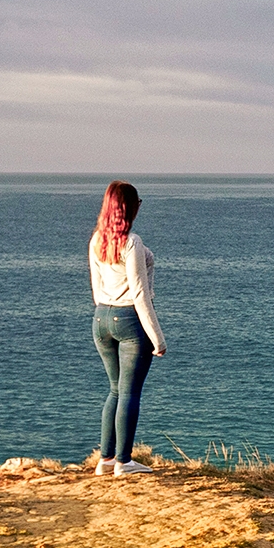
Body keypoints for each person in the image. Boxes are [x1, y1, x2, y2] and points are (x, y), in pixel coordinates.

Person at [89, 180, 168, 474]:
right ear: (130, 207)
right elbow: (140, 294)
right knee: (130, 393)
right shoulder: (131, 242)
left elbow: (97, 290)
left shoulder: (97, 240)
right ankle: (124, 462)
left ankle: (105, 460)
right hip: (130, 321)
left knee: (114, 390)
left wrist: (108, 309)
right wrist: (157, 337)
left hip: (100, 319)